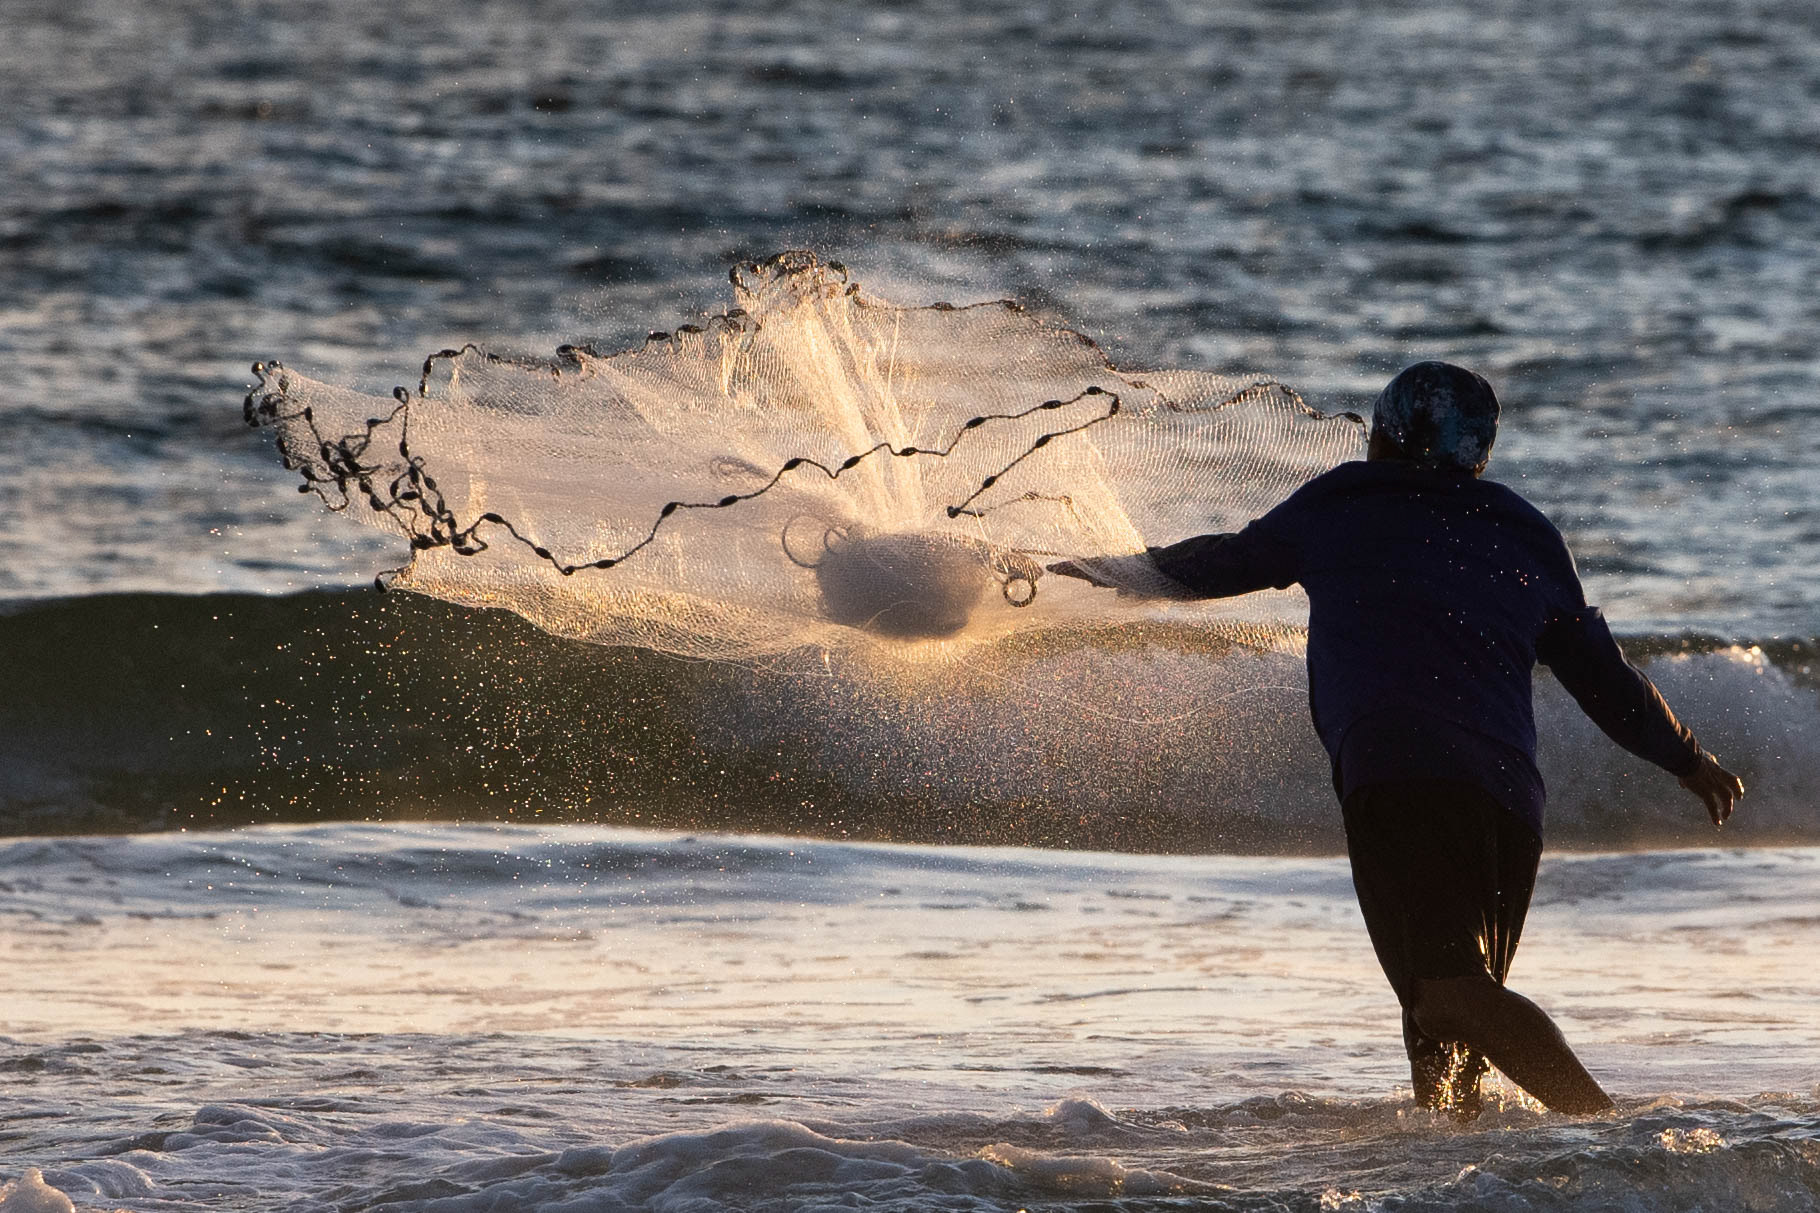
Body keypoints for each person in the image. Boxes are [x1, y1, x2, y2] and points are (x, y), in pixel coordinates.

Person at [1051, 361, 1744, 1118]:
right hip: (1511, 804)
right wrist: (1688, 757)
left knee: (1449, 997)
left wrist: (1104, 569)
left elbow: (1219, 564)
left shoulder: (1346, 500)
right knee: (1443, 1027)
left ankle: (1608, 1129)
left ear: (1383, 436)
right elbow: (1606, 681)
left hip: (1404, 776)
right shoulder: (1525, 531)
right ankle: (1469, 1181)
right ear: (1477, 456)